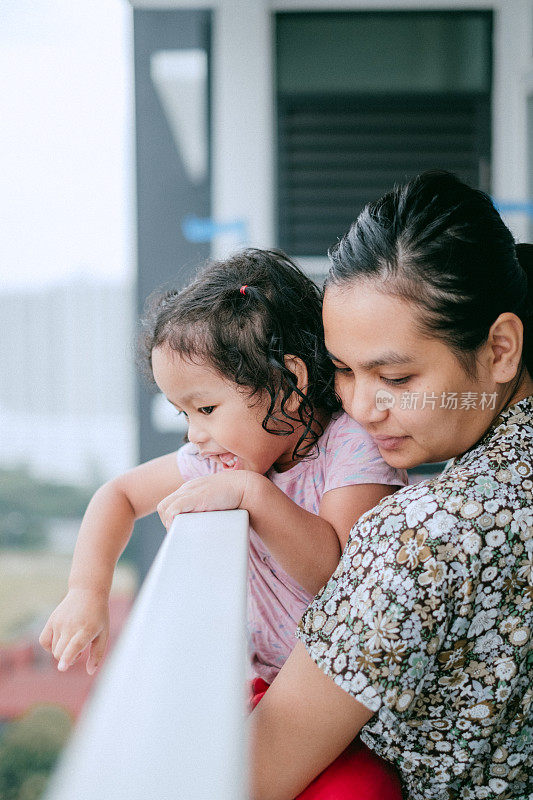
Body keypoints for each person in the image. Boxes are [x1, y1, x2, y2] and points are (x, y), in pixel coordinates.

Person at [39, 248, 406, 797]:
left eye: (205, 409)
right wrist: (86, 591)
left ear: (291, 380)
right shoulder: (226, 457)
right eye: (183, 413)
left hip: (364, 710)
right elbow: (117, 494)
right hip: (278, 686)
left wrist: (253, 494)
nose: (194, 435)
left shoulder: (349, 447)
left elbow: (341, 581)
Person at [249, 172, 533, 800]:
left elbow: (251, 774)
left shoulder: (425, 534)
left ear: (501, 348)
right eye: (343, 372)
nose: (359, 407)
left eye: (397, 378)